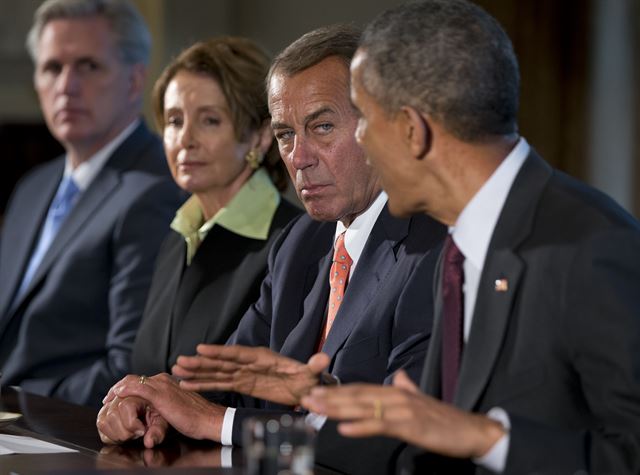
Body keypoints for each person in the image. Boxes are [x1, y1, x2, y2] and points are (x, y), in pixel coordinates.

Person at [301, 1, 640, 474]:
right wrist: (326, 400)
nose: (359, 140)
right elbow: (434, 437)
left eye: (364, 119)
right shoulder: (458, 247)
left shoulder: (591, 246)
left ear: (412, 131)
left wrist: (485, 437)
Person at [96, 24, 445, 455]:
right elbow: (224, 386)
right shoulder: (301, 242)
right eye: (285, 134)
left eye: (321, 127)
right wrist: (154, 406)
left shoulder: (436, 248)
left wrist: (215, 420)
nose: (299, 158)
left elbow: (400, 438)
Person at [0, 0, 182, 407]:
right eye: (52, 68)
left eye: (88, 66)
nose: (67, 86)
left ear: (135, 82)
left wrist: (13, 400)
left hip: (65, 438)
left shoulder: (156, 188)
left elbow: (129, 367)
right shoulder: (31, 188)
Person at [131, 36, 301, 376]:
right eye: (175, 121)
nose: (185, 140)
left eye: (209, 120)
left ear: (259, 136)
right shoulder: (177, 236)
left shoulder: (294, 243)